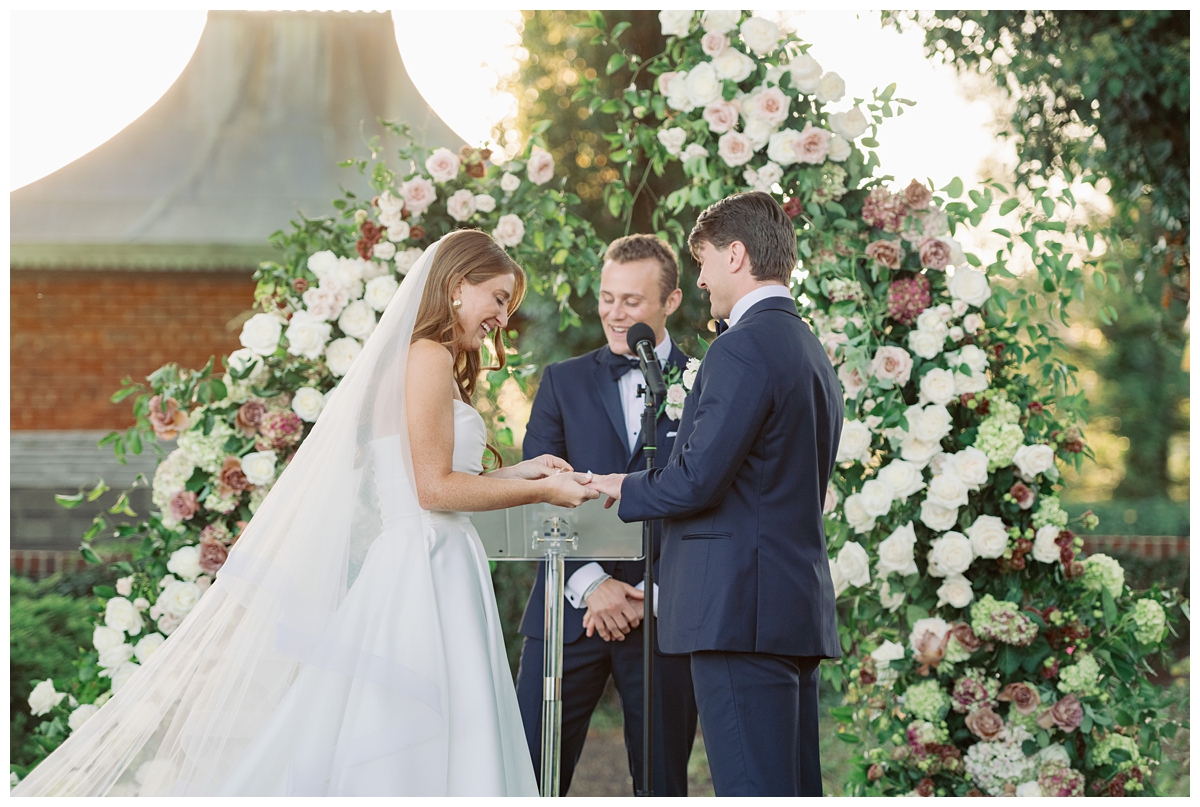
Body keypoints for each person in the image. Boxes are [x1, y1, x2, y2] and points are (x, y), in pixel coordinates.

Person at [12, 229, 598, 797]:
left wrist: (521, 472)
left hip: (435, 556)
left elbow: (428, 477)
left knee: (432, 721)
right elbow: (433, 491)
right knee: (420, 725)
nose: (502, 316)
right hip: (425, 564)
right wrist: (541, 494)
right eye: (497, 298)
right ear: (455, 287)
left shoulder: (425, 356)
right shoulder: (427, 355)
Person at [587, 193, 844, 797]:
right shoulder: (807, 348)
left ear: (737, 254)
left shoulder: (743, 345)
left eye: (702, 261)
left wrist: (615, 485)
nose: (699, 278)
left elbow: (698, 478)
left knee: (752, 789)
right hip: (788, 607)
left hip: (737, 613)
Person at [514, 234, 699, 796]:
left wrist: (654, 591)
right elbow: (536, 488)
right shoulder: (561, 382)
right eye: (607, 297)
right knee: (527, 777)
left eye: (632, 301)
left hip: (665, 616)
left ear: (670, 302)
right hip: (568, 614)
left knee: (661, 783)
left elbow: (711, 496)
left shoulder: (707, 383)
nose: (615, 314)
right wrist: (593, 585)